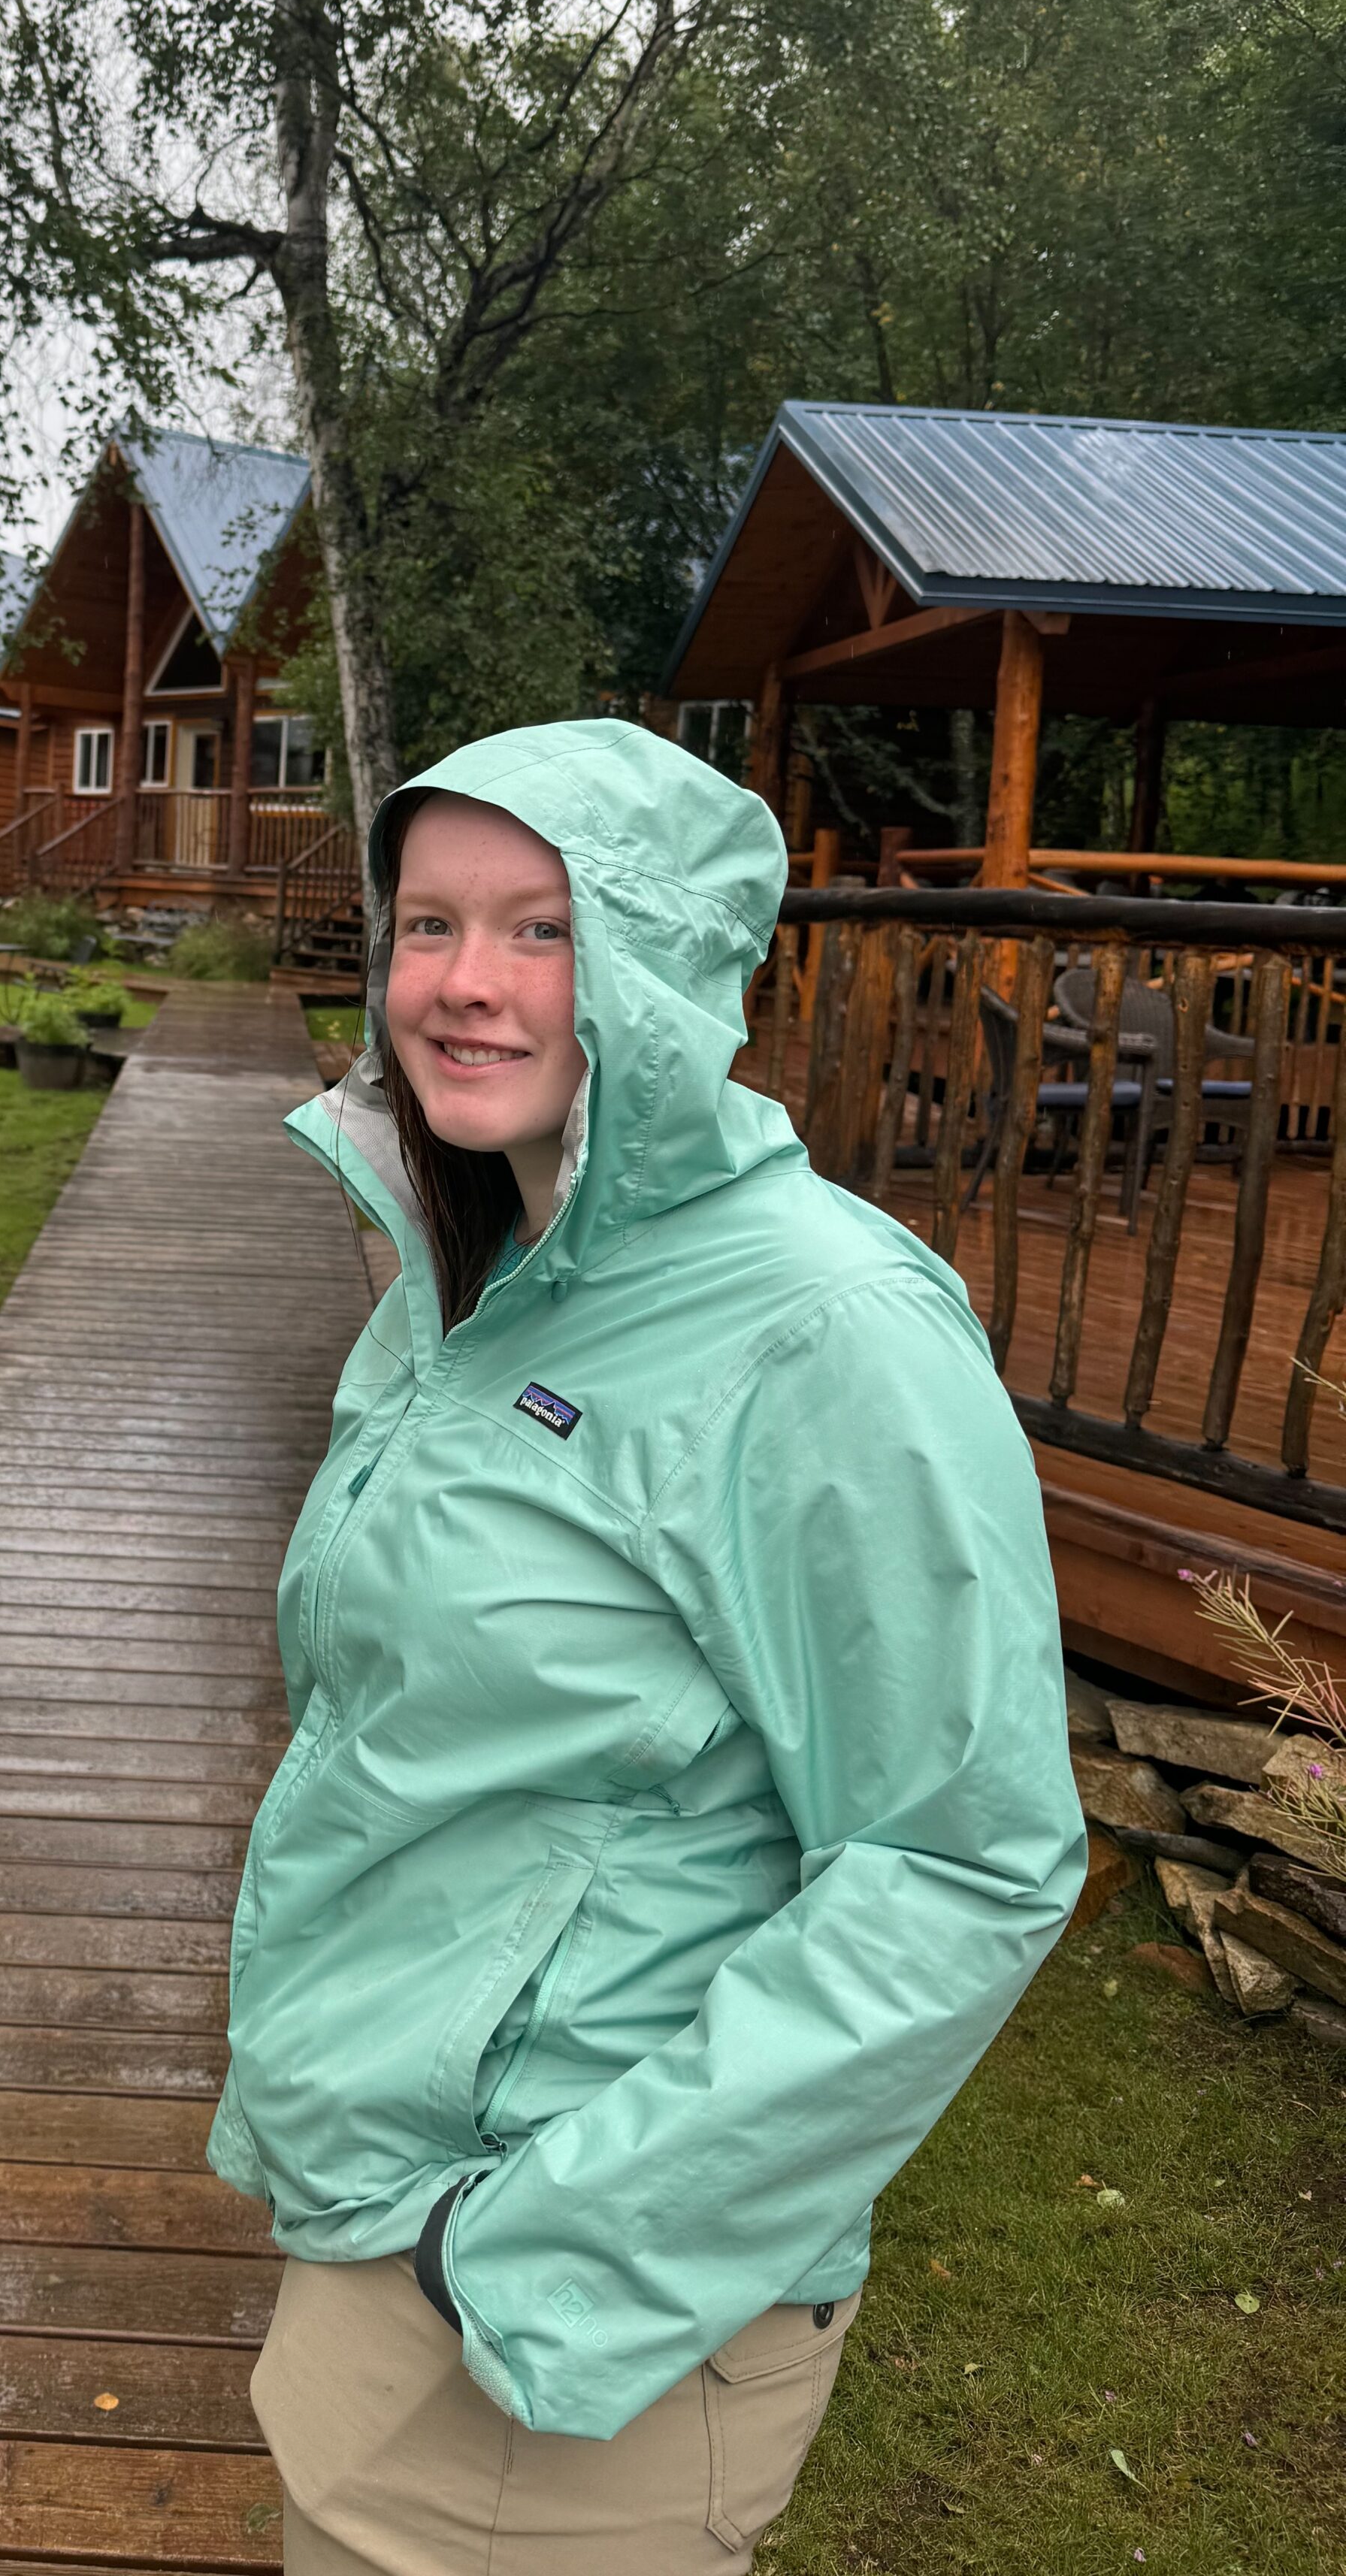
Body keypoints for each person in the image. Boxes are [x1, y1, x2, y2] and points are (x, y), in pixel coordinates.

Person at [211, 720, 1084, 2574]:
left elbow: (962, 1858)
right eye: (428, 921)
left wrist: (530, 2251)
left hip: (565, 2305)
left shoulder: (823, 1329)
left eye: (541, 929)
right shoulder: (485, 1269)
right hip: (386, 2199)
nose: (462, 981)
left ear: (668, 958)